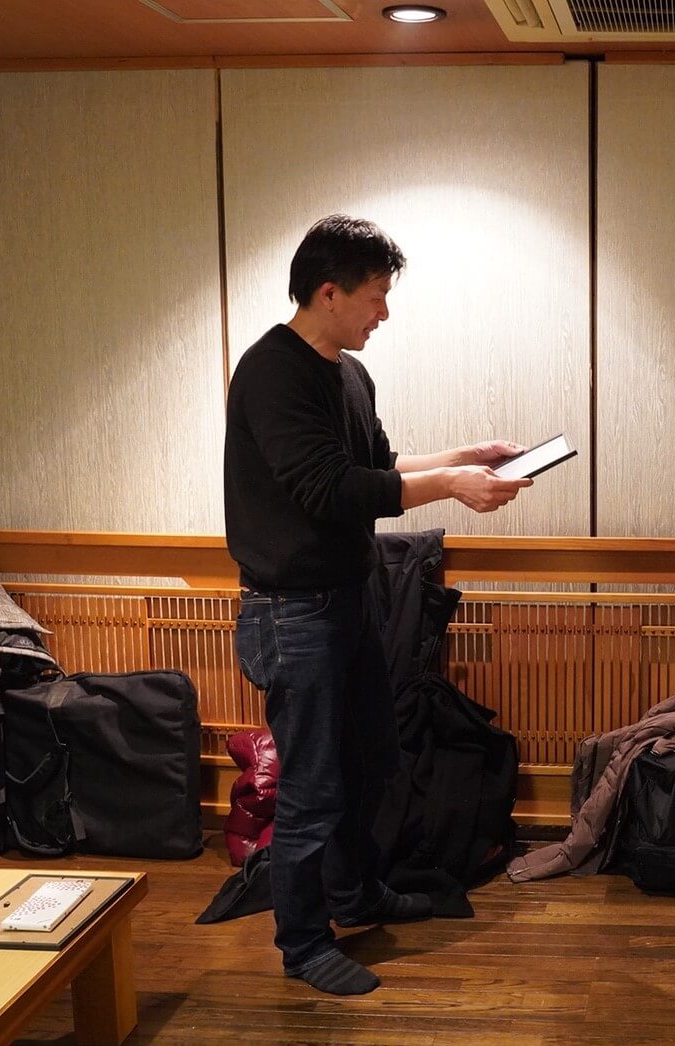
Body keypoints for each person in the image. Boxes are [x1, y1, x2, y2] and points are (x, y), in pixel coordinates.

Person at [224, 214, 531, 995]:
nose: (384, 313)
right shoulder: (272, 372)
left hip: (347, 599)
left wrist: (465, 457)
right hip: (291, 613)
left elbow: (380, 465)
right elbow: (329, 489)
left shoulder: (350, 375)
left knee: (371, 762)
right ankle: (303, 944)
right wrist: (452, 488)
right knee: (313, 786)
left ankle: (358, 893)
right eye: (375, 296)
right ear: (328, 293)